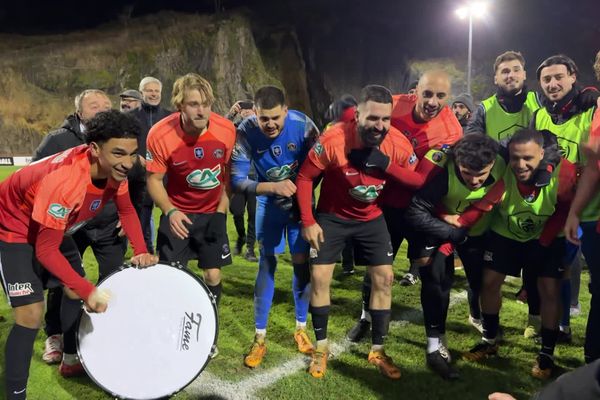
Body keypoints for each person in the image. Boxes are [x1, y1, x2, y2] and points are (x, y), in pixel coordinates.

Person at [1, 110, 157, 400]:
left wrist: (142, 250)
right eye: (119, 153)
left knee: (73, 290)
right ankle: (15, 396)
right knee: (30, 315)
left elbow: (125, 209)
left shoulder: (114, 170)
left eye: (133, 154)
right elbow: (46, 249)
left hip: (52, 226)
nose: (127, 163)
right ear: (94, 149)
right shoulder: (66, 180)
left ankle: (70, 358)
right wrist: (89, 291)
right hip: (15, 229)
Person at [297, 84, 419, 379]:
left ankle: (377, 350)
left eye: (385, 119)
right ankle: (321, 349)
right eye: (372, 118)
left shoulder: (398, 144)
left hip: (371, 217)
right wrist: (308, 220)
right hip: (332, 217)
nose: (379, 126)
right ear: (358, 116)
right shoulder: (333, 139)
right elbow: (304, 177)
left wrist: (388, 166)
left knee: (384, 280)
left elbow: (416, 181)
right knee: (321, 278)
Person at [347, 70, 462, 342]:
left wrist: (381, 161)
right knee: (376, 267)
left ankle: (436, 341)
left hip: (422, 207)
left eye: (441, 96)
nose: (433, 101)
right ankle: (365, 318)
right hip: (384, 202)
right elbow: (357, 116)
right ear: (415, 93)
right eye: (428, 94)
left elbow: (420, 179)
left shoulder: (450, 130)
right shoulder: (394, 105)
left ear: (448, 97)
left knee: (432, 271)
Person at [463, 129, 576, 380]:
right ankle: (489, 339)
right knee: (489, 282)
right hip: (506, 232)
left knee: (549, 290)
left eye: (528, 158)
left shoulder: (563, 171)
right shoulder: (503, 167)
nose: (520, 164)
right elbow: (488, 201)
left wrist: (543, 243)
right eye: (515, 157)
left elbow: (564, 209)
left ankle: (546, 353)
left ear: (543, 154)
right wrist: (456, 225)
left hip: (549, 235)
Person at [32, 89, 129, 371]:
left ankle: (109, 332)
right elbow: (36, 176)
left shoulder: (121, 138)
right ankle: (56, 335)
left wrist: (129, 211)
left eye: (107, 106)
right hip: (69, 226)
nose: (102, 110)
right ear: (79, 113)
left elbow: (134, 176)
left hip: (108, 223)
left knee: (115, 278)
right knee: (65, 282)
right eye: (94, 106)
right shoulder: (58, 140)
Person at [146, 73, 235, 357]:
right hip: (178, 214)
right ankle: (172, 330)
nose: (201, 111)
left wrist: (221, 213)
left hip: (211, 213)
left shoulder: (226, 130)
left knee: (212, 274)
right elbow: (154, 180)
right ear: (180, 106)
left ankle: (208, 331)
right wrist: (170, 210)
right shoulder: (160, 134)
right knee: (173, 277)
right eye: (194, 104)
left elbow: (229, 177)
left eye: (206, 104)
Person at [231, 86, 319, 368]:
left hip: (299, 204)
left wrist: (301, 199)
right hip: (268, 203)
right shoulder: (245, 130)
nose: (270, 124)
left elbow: (318, 168)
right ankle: (259, 337)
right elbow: (236, 180)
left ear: (286, 110)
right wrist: (273, 187)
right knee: (266, 263)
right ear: (255, 113)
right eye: (264, 118)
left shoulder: (304, 126)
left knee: (301, 262)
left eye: (275, 118)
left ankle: (301, 328)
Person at [403, 134, 504, 379]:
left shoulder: (503, 162)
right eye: (467, 173)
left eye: (482, 174)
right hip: (442, 233)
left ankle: (487, 331)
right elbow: (415, 211)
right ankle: (438, 342)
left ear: (493, 163)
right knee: (438, 283)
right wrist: (452, 231)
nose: (475, 181)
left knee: (483, 284)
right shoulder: (442, 170)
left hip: (480, 234)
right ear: (457, 161)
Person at [533, 54, 600, 363]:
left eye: (559, 76)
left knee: (578, 271)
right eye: (547, 79)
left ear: (574, 76)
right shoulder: (541, 115)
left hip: (591, 210)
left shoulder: (591, 108)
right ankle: (562, 325)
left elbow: (593, 163)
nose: (553, 83)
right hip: (557, 209)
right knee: (557, 270)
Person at [129, 76, 172, 253]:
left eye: (156, 91)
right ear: (141, 93)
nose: (153, 94)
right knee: (142, 221)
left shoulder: (171, 117)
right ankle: (145, 253)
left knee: (168, 217)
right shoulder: (130, 118)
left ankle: (167, 254)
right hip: (140, 177)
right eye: (149, 90)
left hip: (167, 177)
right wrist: (136, 158)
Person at [466, 51, 542, 140]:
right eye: (505, 71)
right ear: (496, 79)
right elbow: (470, 147)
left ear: (524, 75)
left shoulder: (540, 101)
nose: (511, 75)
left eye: (516, 70)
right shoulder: (483, 110)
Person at [324, 94, 359, 275]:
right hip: (337, 186)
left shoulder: (361, 130)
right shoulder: (331, 130)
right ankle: (345, 263)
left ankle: (348, 263)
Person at [226, 100, 258, 262]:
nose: (246, 112)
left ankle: (250, 249)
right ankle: (241, 237)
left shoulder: (259, 128)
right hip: (237, 177)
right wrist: (231, 114)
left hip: (254, 177)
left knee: (253, 214)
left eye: (249, 110)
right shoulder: (233, 128)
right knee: (236, 211)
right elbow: (218, 129)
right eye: (243, 110)